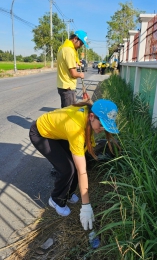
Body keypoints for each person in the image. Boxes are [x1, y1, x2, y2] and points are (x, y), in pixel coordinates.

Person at [29, 99, 119, 231]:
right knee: (67, 169)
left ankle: (69, 194)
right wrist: (86, 205)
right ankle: (56, 200)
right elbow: (82, 171)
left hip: (58, 132)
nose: (102, 129)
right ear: (92, 117)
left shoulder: (89, 112)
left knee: (74, 165)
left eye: (105, 126)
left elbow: (88, 102)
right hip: (40, 133)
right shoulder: (76, 128)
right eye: (101, 124)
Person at [57, 30, 89, 108]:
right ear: (75, 39)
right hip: (68, 87)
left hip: (62, 85)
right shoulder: (69, 51)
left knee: (65, 112)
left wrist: (76, 64)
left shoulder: (63, 48)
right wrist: (80, 74)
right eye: (81, 43)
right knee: (69, 114)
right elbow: (74, 74)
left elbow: (65, 65)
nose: (81, 46)